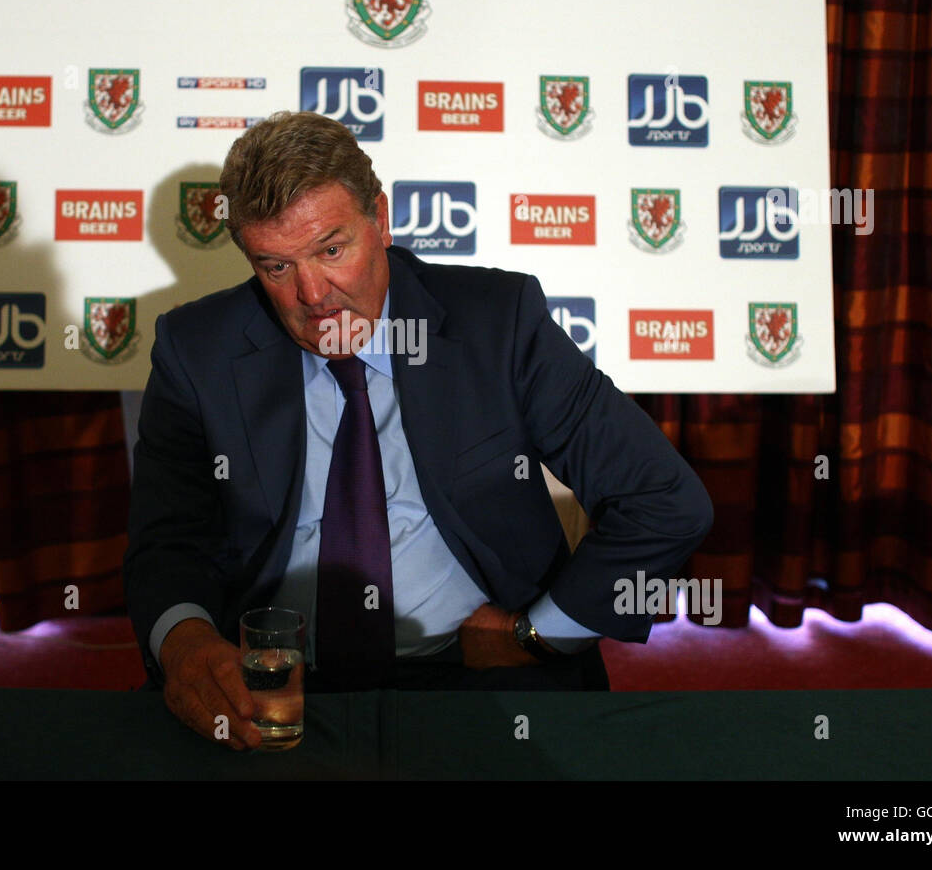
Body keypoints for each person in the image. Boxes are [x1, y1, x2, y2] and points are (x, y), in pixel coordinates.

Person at [125, 111, 713, 750]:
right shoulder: (195, 351)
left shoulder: (498, 325)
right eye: (275, 267)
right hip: (274, 685)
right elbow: (168, 541)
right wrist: (184, 646)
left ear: (380, 218)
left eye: (331, 249)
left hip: (481, 673)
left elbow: (668, 503)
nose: (313, 294)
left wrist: (541, 636)